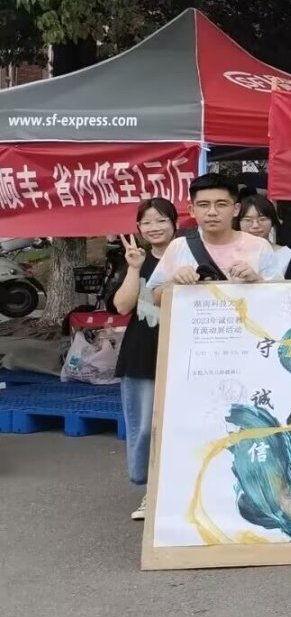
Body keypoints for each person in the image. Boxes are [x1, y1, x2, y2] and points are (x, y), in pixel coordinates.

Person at [112, 197, 177, 518]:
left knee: (184, 426)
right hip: (142, 355)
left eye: (161, 220)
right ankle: (150, 493)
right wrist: (134, 268)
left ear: (175, 224)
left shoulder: (189, 257)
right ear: (138, 227)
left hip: (185, 353)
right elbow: (122, 306)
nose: (154, 227)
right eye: (147, 222)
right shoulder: (137, 260)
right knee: (145, 428)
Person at [149, 173, 286, 299]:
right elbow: (156, 298)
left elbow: (280, 298)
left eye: (221, 204)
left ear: (236, 209)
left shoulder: (259, 246)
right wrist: (174, 281)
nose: (212, 212)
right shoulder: (178, 247)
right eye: (203, 205)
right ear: (192, 210)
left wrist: (256, 280)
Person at [236, 193, 291, 273]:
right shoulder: (230, 254)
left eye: (262, 219)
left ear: (272, 221)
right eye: (248, 220)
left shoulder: (288, 255)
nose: (255, 225)